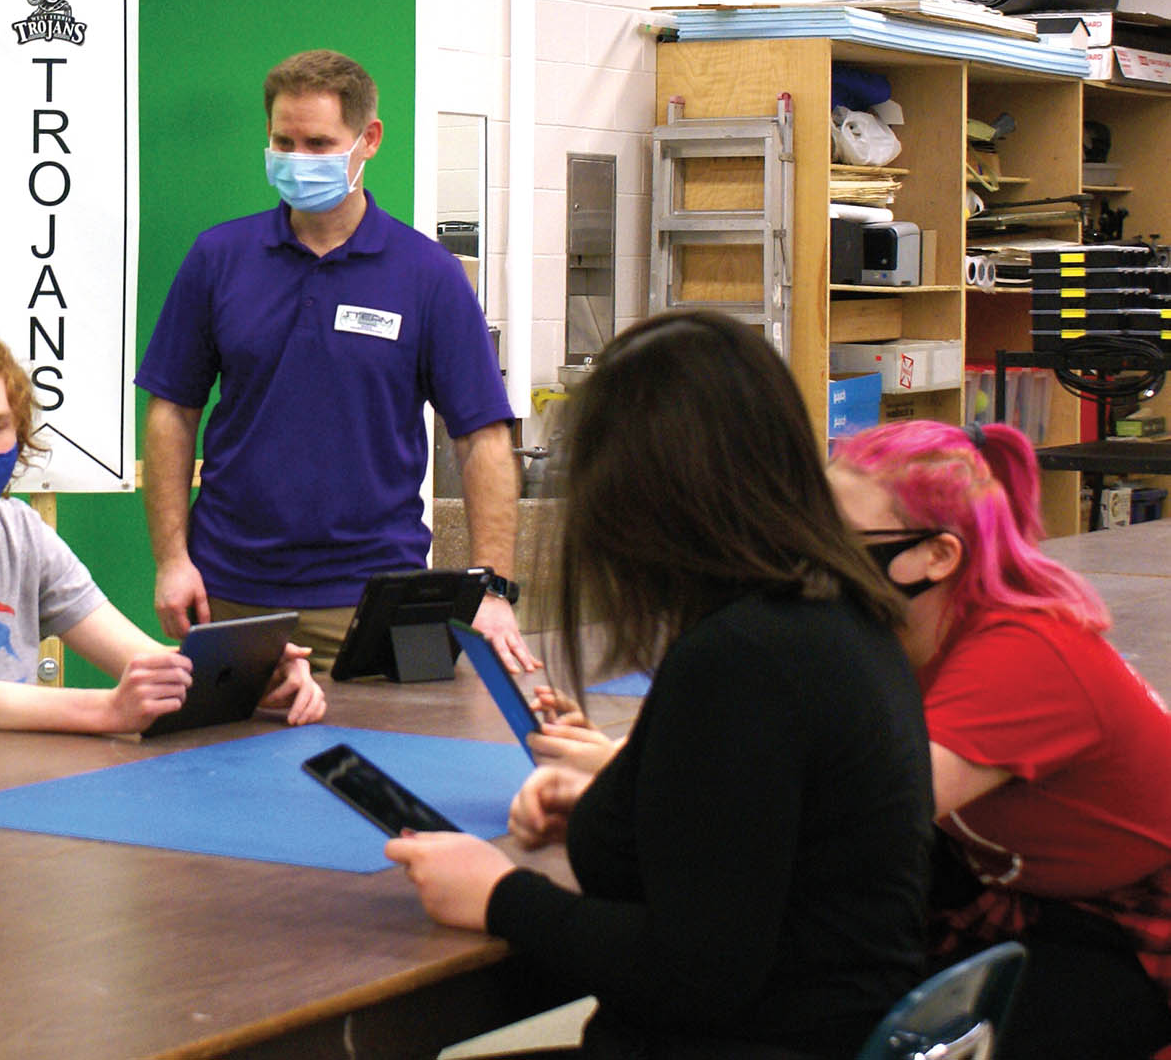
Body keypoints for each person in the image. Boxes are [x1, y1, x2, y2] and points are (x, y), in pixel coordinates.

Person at [386, 311, 933, 1059]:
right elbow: (758, 842)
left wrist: (498, 894)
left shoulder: (742, 659)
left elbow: (695, 972)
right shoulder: (838, 617)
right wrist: (632, 806)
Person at [136, 48, 534, 672]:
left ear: (367, 140)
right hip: (231, 595)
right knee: (217, 769)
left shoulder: (428, 275)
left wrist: (491, 586)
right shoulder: (218, 258)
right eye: (283, 142)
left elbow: (482, 437)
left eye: (319, 143)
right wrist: (171, 559)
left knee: (391, 766)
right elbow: (172, 413)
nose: (298, 160)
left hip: (377, 598)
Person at [0, 329, 326, 749]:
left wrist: (253, 677)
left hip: (10, 798)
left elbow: (141, 659)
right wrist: (107, 710)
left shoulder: (22, 531)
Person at [832, 419, 1171, 1060]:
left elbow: (865, 811)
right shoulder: (899, 629)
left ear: (936, 555)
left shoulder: (1020, 651)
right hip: (1026, 885)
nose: (817, 554)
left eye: (841, 537)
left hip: (1127, 918)